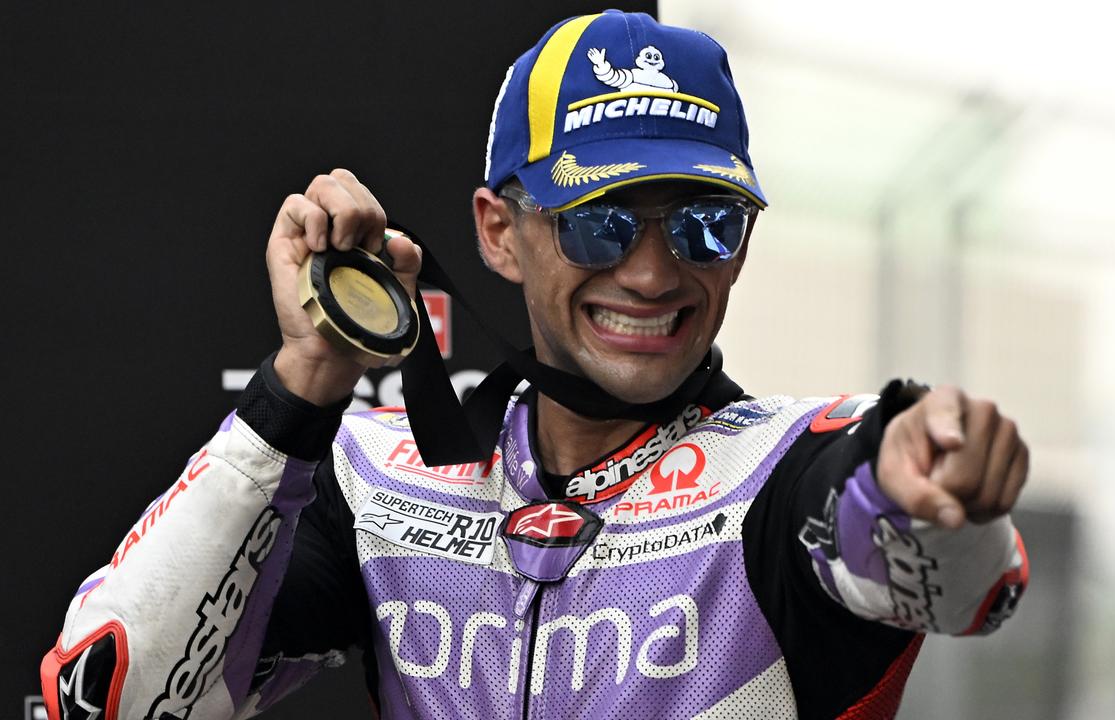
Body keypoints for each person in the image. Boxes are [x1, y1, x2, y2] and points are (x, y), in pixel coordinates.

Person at [41, 10, 1029, 720]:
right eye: (599, 223)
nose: (651, 273)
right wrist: (300, 382)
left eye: (703, 223)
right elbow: (110, 696)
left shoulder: (782, 476)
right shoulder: (382, 479)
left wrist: (923, 486)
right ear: (498, 232)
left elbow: (955, 583)